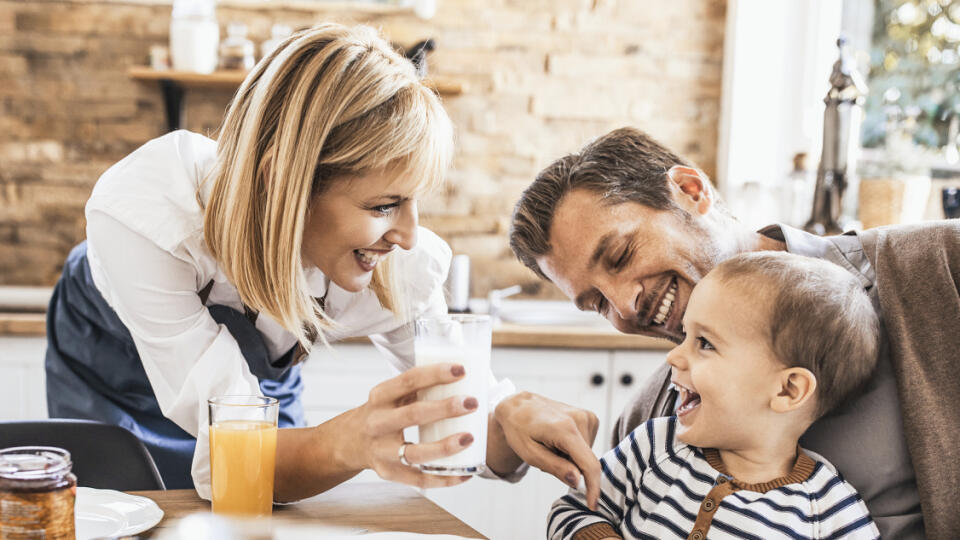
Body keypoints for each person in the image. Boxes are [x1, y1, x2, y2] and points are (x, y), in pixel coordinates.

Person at [45, 23, 601, 503]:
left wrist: (510, 419)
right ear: (281, 185)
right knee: (115, 509)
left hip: (258, 372)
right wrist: (351, 439)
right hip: (113, 354)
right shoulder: (146, 216)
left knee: (260, 507)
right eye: (384, 206)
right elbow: (235, 452)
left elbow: (461, 421)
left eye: (413, 202)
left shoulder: (399, 266)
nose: (408, 236)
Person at [511, 127, 960, 539]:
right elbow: (585, 512)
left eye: (621, 254)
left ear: (690, 192)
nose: (625, 306)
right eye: (596, 302)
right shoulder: (655, 423)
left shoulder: (938, 264)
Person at [549, 252, 881, 540]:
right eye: (686, 336)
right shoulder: (654, 446)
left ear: (787, 390)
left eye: (705, 343)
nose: (673, 358)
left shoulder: (828, 509)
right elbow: (573, 510)